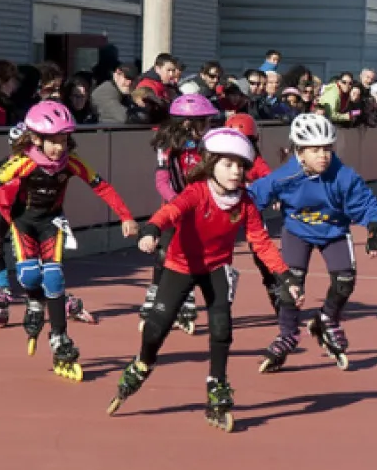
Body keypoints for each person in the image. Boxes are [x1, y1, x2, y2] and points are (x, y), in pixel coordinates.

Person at [0, 101, 138, 381]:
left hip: (51, 223)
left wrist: (125, 216)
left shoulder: (72, 163)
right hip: (23, 222)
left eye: (64, 140)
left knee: (54, 277)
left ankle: (59, 337)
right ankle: (35, 302)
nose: (59, 148)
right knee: (28, 276)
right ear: (36, 139)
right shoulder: (22, 163)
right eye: (53, 141)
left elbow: (102, 187)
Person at [108, 128, 303, 431]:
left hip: (216, 267)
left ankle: (217, 383)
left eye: (240, 166)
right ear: (211, 165)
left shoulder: (245, 203)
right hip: (181, 265)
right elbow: (170, 211)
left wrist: (286, 276)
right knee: (156, 328)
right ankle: (143, 362)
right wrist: (152, 230)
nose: (236, 172)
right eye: (228, 164)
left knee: (222, 327)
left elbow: (261, 243)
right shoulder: (197, 192)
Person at [249, 114, 377, 373]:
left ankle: (327, 319)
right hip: (297, 231)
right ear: (299, 152)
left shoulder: (343, 176)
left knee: (345, 281)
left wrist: (375, 229)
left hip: (334, 231)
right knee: (291, 283)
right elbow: (252, 197)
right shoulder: (285, 176)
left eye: (327, 148)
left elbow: (367, 204)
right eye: (314, 150)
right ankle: (288, 333)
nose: (323, 155)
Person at [0, 123, 96, 326]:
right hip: (4, 211)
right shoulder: (9, 164)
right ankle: (3, 290)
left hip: (27, 215)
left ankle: (61, 299)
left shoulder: (38, 166)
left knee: (37, 265)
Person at [140, 93, 219, 332]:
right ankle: (155, 295)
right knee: (164, 253)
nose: (208, 127)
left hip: (201, 207)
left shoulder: (209, 143)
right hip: (174, 206)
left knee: (194, 253)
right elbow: (161, 181)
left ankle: (186, 295)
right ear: (187, 123)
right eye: (203, 122)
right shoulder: (167, 146)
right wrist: (178, 203)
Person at [225, 112, 281, 315]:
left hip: (251, 212)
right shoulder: (221, 162)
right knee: (220, 251)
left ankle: (276, 289)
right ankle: (221, 288)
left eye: (245, 142)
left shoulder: (256, 161)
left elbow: (270, 180)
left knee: (261, 253)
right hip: (225, 212)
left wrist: (276, 196)